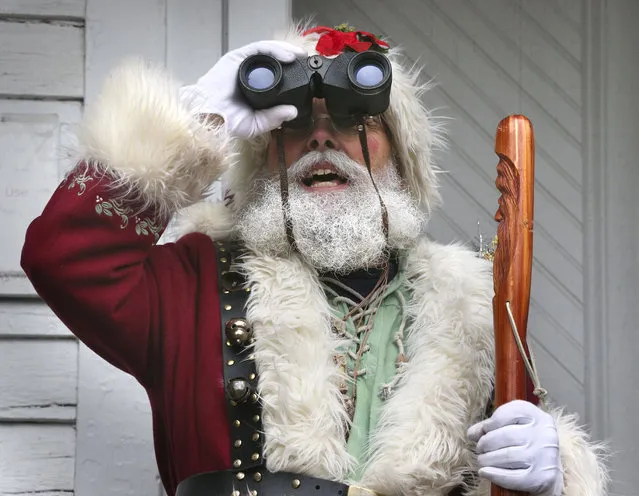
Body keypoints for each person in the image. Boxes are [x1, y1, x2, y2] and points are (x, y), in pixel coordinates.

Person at [21, 22, 607, 496]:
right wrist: (200, 119)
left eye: (354, 118)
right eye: (296, 120)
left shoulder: (475, 307)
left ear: (400, 161)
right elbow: (62, 257)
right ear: (262, 156)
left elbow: (513, 461)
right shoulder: (191, 284)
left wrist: (555, 476)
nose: (323, 139)